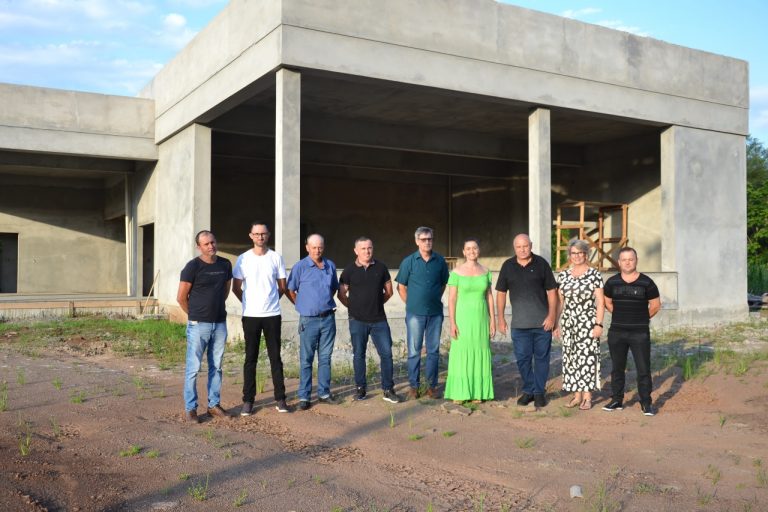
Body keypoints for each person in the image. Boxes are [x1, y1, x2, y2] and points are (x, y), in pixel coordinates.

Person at [232, 221, 290, 416]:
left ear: (268, 235)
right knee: (250, 358)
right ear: (251, 236)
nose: (260, 237)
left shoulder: (276, 257)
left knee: (275, 358)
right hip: (251, 316)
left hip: (272, 315)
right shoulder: (243, 259)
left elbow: (282, 286)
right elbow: (236, 288)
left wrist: (271, 301)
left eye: (263, 233)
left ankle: (280, 398)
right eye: (256, 234)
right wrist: (248, 303)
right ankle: (248, 400)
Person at [495, 234, 558, 408]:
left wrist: (552, 316)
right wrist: (500, 318)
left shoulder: (541, 264)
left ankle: (538, 392)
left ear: (531, 245)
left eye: (525, 246)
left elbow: (552, 292)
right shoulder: (507, 266)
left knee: (542, 359)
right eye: (519, 247)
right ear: (514, 248)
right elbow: (501, 293)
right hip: (519, 325)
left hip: (542, 324)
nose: (522, 250)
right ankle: (529, 390)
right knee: (522, 359)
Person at [177, 230, 233, 422]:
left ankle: (213, 405)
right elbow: (181, 297)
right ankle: (191, 408)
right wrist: (195, 316)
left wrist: (214, 310)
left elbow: (225, 290)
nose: (211, 246)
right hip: (198, 325)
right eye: (206, 244)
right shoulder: (192, 267)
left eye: (213, 242)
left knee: (216, 366)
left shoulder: (225, 264)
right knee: (193, 368)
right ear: (198, 247)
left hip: (219, 324)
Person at [338, 237, 401, 404]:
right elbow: (341, 294)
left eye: (369, 248)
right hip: (357, 321)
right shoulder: (349, 271)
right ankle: (361, 388)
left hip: (379, 320)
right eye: (363, 248)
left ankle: (388, 389)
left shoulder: (381, 268)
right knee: (359, 354)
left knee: (386, 354)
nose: (367, 251)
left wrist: (376, 304)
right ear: (356, 251)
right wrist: (353, 308)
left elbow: (389, 292)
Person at [602, 247, 661, 416]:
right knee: (617, 368)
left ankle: (646, 403)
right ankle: (617, 400)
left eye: (631, 259)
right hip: (617, 332)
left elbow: (655, 305)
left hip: (639, 333)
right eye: (624, 260)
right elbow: (607, 302)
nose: (627, 262)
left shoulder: (647, 282)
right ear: (619, 262)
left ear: (636, 261)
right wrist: (621, 316)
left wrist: (640, 318)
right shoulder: (612, 282)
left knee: (643, 368)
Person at [286, 234, 340, 411]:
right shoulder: (300, 267)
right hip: (308, 320)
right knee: (306, 359)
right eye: (314, 247)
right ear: (307, 248)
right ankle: (304, 396)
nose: (317, 250)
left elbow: (333, 288)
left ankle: (324, 393)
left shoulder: (330, 265)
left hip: (328, 318)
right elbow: (290, 290)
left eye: (320, 247)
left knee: (325, 358)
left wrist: (323, 303)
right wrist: (301, 304)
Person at [395, 227, 449, 400]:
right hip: (415, 314)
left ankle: (432, 387)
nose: (427, 242)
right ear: (417, 241)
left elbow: (443, 284)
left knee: (433, 351)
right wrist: (411, 304)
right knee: (414, 351)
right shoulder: (409, 262)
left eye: (430, 239)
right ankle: (414, 387)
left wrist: (434, 299)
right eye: (424, 239)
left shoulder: (440, 261)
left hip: (435, 313)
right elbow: (401, 287)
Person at [554, 239, 605, 410]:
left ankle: (588, 397)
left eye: (580, 253)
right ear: (569, 255)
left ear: (586, 254)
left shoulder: (594, 274)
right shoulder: (563, 275)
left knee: (587, 358)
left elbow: (600, 302)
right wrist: (556, 323)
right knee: (571, 358)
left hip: (587, 322)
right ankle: (577, 396)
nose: (576, 256)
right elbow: (560, 302)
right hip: (569, 322)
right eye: (573, 253)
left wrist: (599, 324)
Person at [444, 238, 495, 403]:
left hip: (481, 318)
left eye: (474, 248)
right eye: (468, 248)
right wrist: (452, 323)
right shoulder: (456, 272)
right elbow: (452, 299)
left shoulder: (486, 272)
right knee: (461, 352)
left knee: (480, 350)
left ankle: (477, 392)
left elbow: (489, 297)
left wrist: (493, 321)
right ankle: (460, 393)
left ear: (479, 250)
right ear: (463, 252)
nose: (472, 251)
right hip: (463, 318)